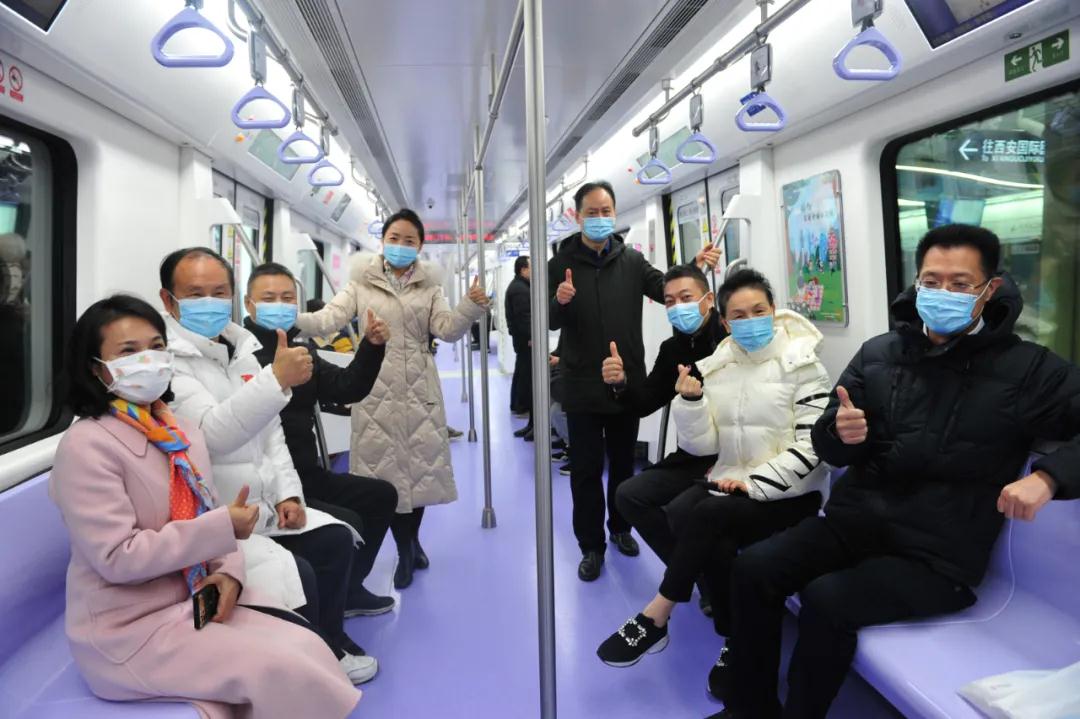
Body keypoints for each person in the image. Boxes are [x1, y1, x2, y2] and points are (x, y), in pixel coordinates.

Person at [718, 225, 1080, 719]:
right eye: (932, 281)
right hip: (855, 524)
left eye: (960, 284)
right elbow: (828, 440)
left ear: (989, 289)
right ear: (917, 282)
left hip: (937, 555)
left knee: (826, 598)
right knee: (752, 569)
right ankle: (749, 707)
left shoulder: (1028, 370)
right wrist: (839, 434)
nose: (943, 293)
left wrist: (1050, 477)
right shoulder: (879, 353)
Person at [50, 294, 360, 719]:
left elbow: (208, 515)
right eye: (129, 352)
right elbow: (118, 558)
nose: (148, 360)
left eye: (157, 347)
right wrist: (222, 529)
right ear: (95, 367)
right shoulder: (86, 447)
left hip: (195, 599)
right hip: (127, 628)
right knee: (280, 667)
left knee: (306, 642)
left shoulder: (181, 434)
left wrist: (229, 574)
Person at [596, 269, 830, 683]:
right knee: (688, 520)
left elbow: (813, 447)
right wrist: (691, 402)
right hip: (726, 475)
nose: (749, 321)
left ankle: (659, 612)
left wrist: (753, 483)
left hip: (786, 490)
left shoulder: (804, 366)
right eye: (738, 315)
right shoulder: (718, 365)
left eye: (758, 311)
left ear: (773, 310)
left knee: (703, 514)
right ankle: (731, 637)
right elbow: (705, 441)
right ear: (725, 320)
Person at [157, 247, 376, 684]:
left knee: (335, 537)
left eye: (219, 291)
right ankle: (309, 662)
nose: (209, 302)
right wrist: (275, 379)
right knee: (301, 570)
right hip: (218, 514)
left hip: (263, 502)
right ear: (169, 300)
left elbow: (271, 433)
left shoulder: (240, 348)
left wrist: (288, 494)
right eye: (195, 293)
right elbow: (212, 434)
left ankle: (329, 643)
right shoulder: (169, 363)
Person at [294, 208, 490, 590]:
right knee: (386, 478)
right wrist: (287, 314)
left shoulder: (430, 289)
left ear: (420, 246)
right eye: (394, 238)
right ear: (382, 242)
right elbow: (327, 320)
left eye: (409, 240)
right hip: (374, 387)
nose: (401, 245)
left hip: (419, 389)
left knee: (419, 473)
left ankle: (411, 543)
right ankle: (404, 551)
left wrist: (470, 305)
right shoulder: (359, 285)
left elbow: (447, 330)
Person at [548, 180, 719, 581]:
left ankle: (621, 528)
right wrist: (559, 301)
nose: (601, 218)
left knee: (623, 463)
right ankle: (591, 546)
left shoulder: (632, 260)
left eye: (606, 211)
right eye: (592, 212)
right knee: (587, 471)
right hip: (582, 385)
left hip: (626, 383)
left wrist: (693, 270)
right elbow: (548, 321)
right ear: (578, 217)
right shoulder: (560, 264)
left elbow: (665, 288)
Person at [243, 262, 399, 617]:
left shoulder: (302, 353)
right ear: (249, 304)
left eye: (287, 298)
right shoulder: (241, 358)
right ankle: (327, 612)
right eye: (269, 298)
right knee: (348, 522)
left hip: (308, 474)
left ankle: (349, 591)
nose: (279, 305)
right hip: (270, 486)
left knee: (381, 496)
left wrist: (371, 346)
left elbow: (348, 387)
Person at [609, 264, 728, 575]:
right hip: (694, 455)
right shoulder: (673, 349)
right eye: (670, 302)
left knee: (683, 511)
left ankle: (702, 576)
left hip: (738, 454)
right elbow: (645, 402)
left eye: (686, 298)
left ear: (708, 299)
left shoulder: (732, 338)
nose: (678, 307)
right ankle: (694, 573)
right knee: (629, 495)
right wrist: (621, 383)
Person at [505, 255, 533, 434]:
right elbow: (524, 317)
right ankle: (522, 405)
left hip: (521, 337)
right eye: (531, 267)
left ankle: (517, 404)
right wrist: (532, 336)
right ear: (523, 269)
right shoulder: (520, 289)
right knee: (525, 373)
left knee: (521, 370)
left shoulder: (519, 286)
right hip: (525, 339)